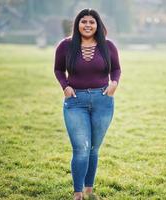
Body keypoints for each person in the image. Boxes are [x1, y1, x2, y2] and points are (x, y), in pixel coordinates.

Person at [54, 8, 121, 200]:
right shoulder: (65, 46)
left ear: (98, 25)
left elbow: (116, 69)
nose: (88, 25)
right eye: (84, 21)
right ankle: (78, 193)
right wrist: (65, 87)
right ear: (77, 24)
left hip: (103, 101)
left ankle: (89, 190)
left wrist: (114, 84)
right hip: (75, 102)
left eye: (92, 22)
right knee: (81, 148)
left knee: (94, 148)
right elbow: (58, 69)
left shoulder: (108, 46)